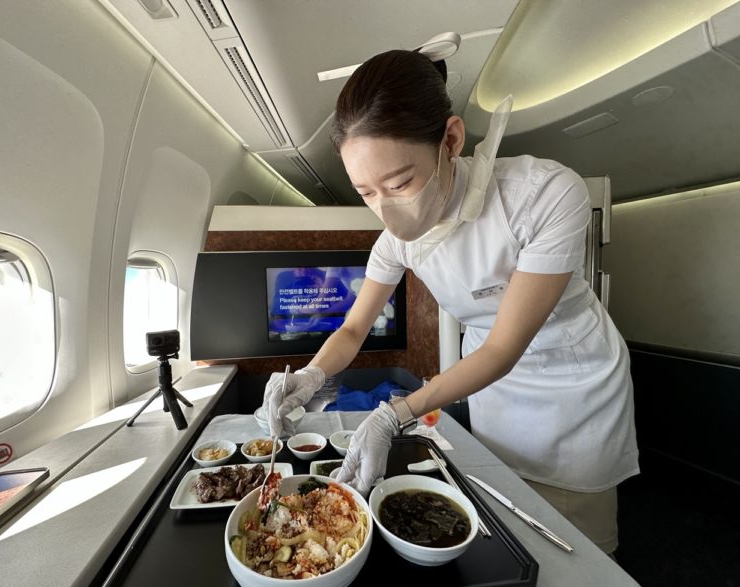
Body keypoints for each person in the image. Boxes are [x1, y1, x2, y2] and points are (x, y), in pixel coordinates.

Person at [262, 49, 639, 555]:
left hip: (573, 393)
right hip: (491, 393)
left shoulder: (545, 195)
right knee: (507, 531)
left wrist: (397, 413)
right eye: (366, 192)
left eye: (399, 183)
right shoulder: (395, 242)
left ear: (452, 140)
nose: (386, 207)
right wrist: (309, 375)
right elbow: (352, 330)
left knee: (583, 554)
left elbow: (505, 347)